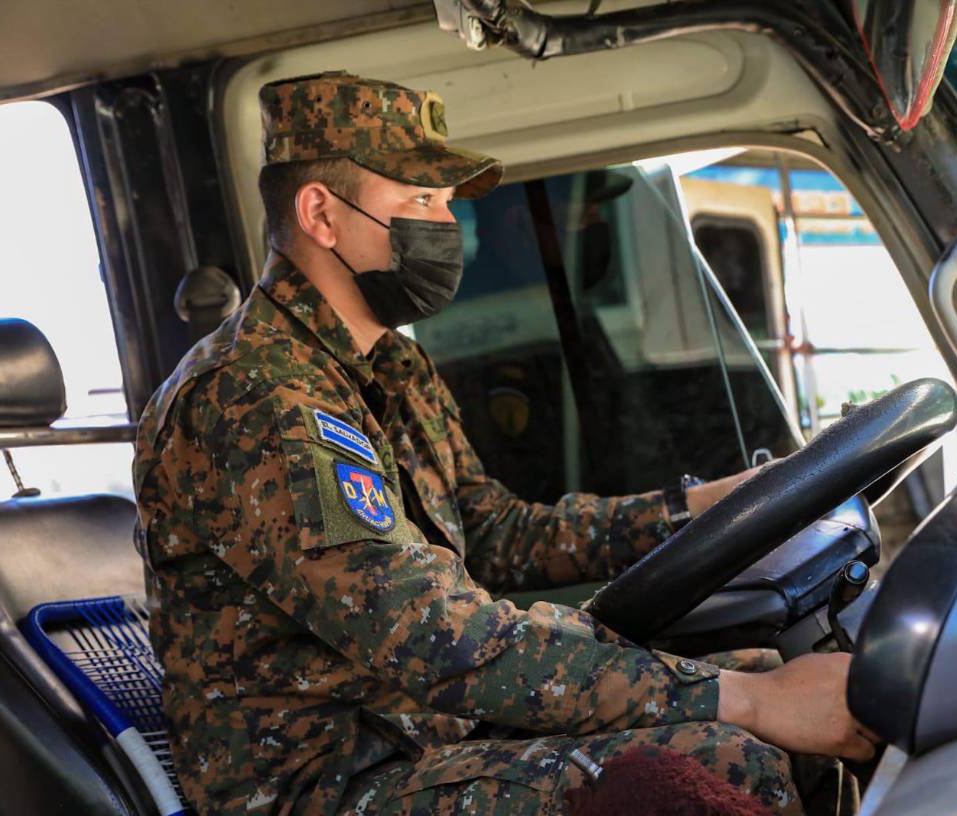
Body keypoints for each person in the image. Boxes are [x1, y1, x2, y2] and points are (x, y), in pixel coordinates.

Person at [133, 71, 876, 816]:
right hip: (320, 784)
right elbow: (437, 639)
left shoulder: (388, 364)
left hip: (419, 733)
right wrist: (746, 703)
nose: (447, 224)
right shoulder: (256, 397)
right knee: (734, 759)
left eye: (447, 202)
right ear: (321, 214)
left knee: (768, 674)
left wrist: (697, 509)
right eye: (420, 200)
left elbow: (492, 535)